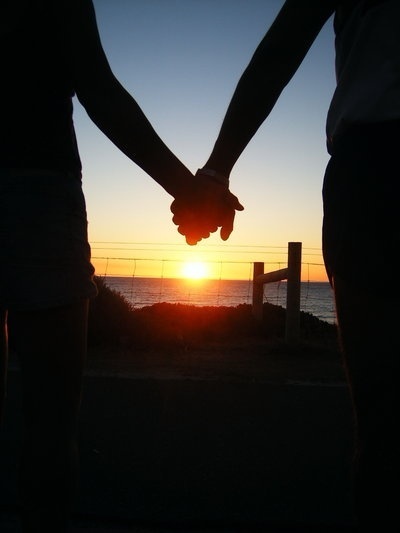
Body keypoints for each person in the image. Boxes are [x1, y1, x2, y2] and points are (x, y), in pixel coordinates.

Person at [0, 1, 242, 531]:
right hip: (38, 192)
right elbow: (99, 92)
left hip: (39, 198)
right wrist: (190, 189)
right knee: (50, 425)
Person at [173, 0, 399, 530]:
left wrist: (215, 172)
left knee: (384, 423)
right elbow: (281, 47)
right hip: (372, 169)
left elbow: (281, 48)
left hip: (372, 164)